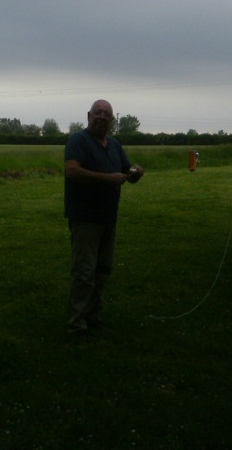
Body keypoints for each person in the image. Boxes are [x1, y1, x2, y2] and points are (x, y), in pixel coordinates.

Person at [64, 99, 144, 335]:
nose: (101, 116)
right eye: (97, 113)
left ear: (112, 120)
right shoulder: (79, 140)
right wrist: (107, 178)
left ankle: (93, 318)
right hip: (85, 219)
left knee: (102, 271)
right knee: (84, 272)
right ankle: (76, 325)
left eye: (106, 114)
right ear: (88, 115)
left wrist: (136, 173)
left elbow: (126, 172)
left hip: (109, 219)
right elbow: (71, 170)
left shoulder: (115, 145)